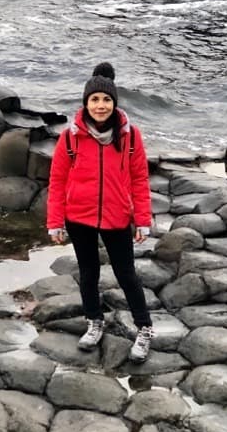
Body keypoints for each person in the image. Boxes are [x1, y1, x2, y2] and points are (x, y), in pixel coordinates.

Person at [46, 62, 154, 363]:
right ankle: (94, 322)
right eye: (94, 99)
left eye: (106, 99)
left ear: (114, 103)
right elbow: (57, 180)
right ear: (86, 103)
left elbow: (139, 179)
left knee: (127, 275)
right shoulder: (70, 137)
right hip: (78, 217)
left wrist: (142, 219)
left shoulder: (131, 137)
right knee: (88, 272)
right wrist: (55, 222)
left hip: (117, 216)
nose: (100, 105)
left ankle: (144, 328)